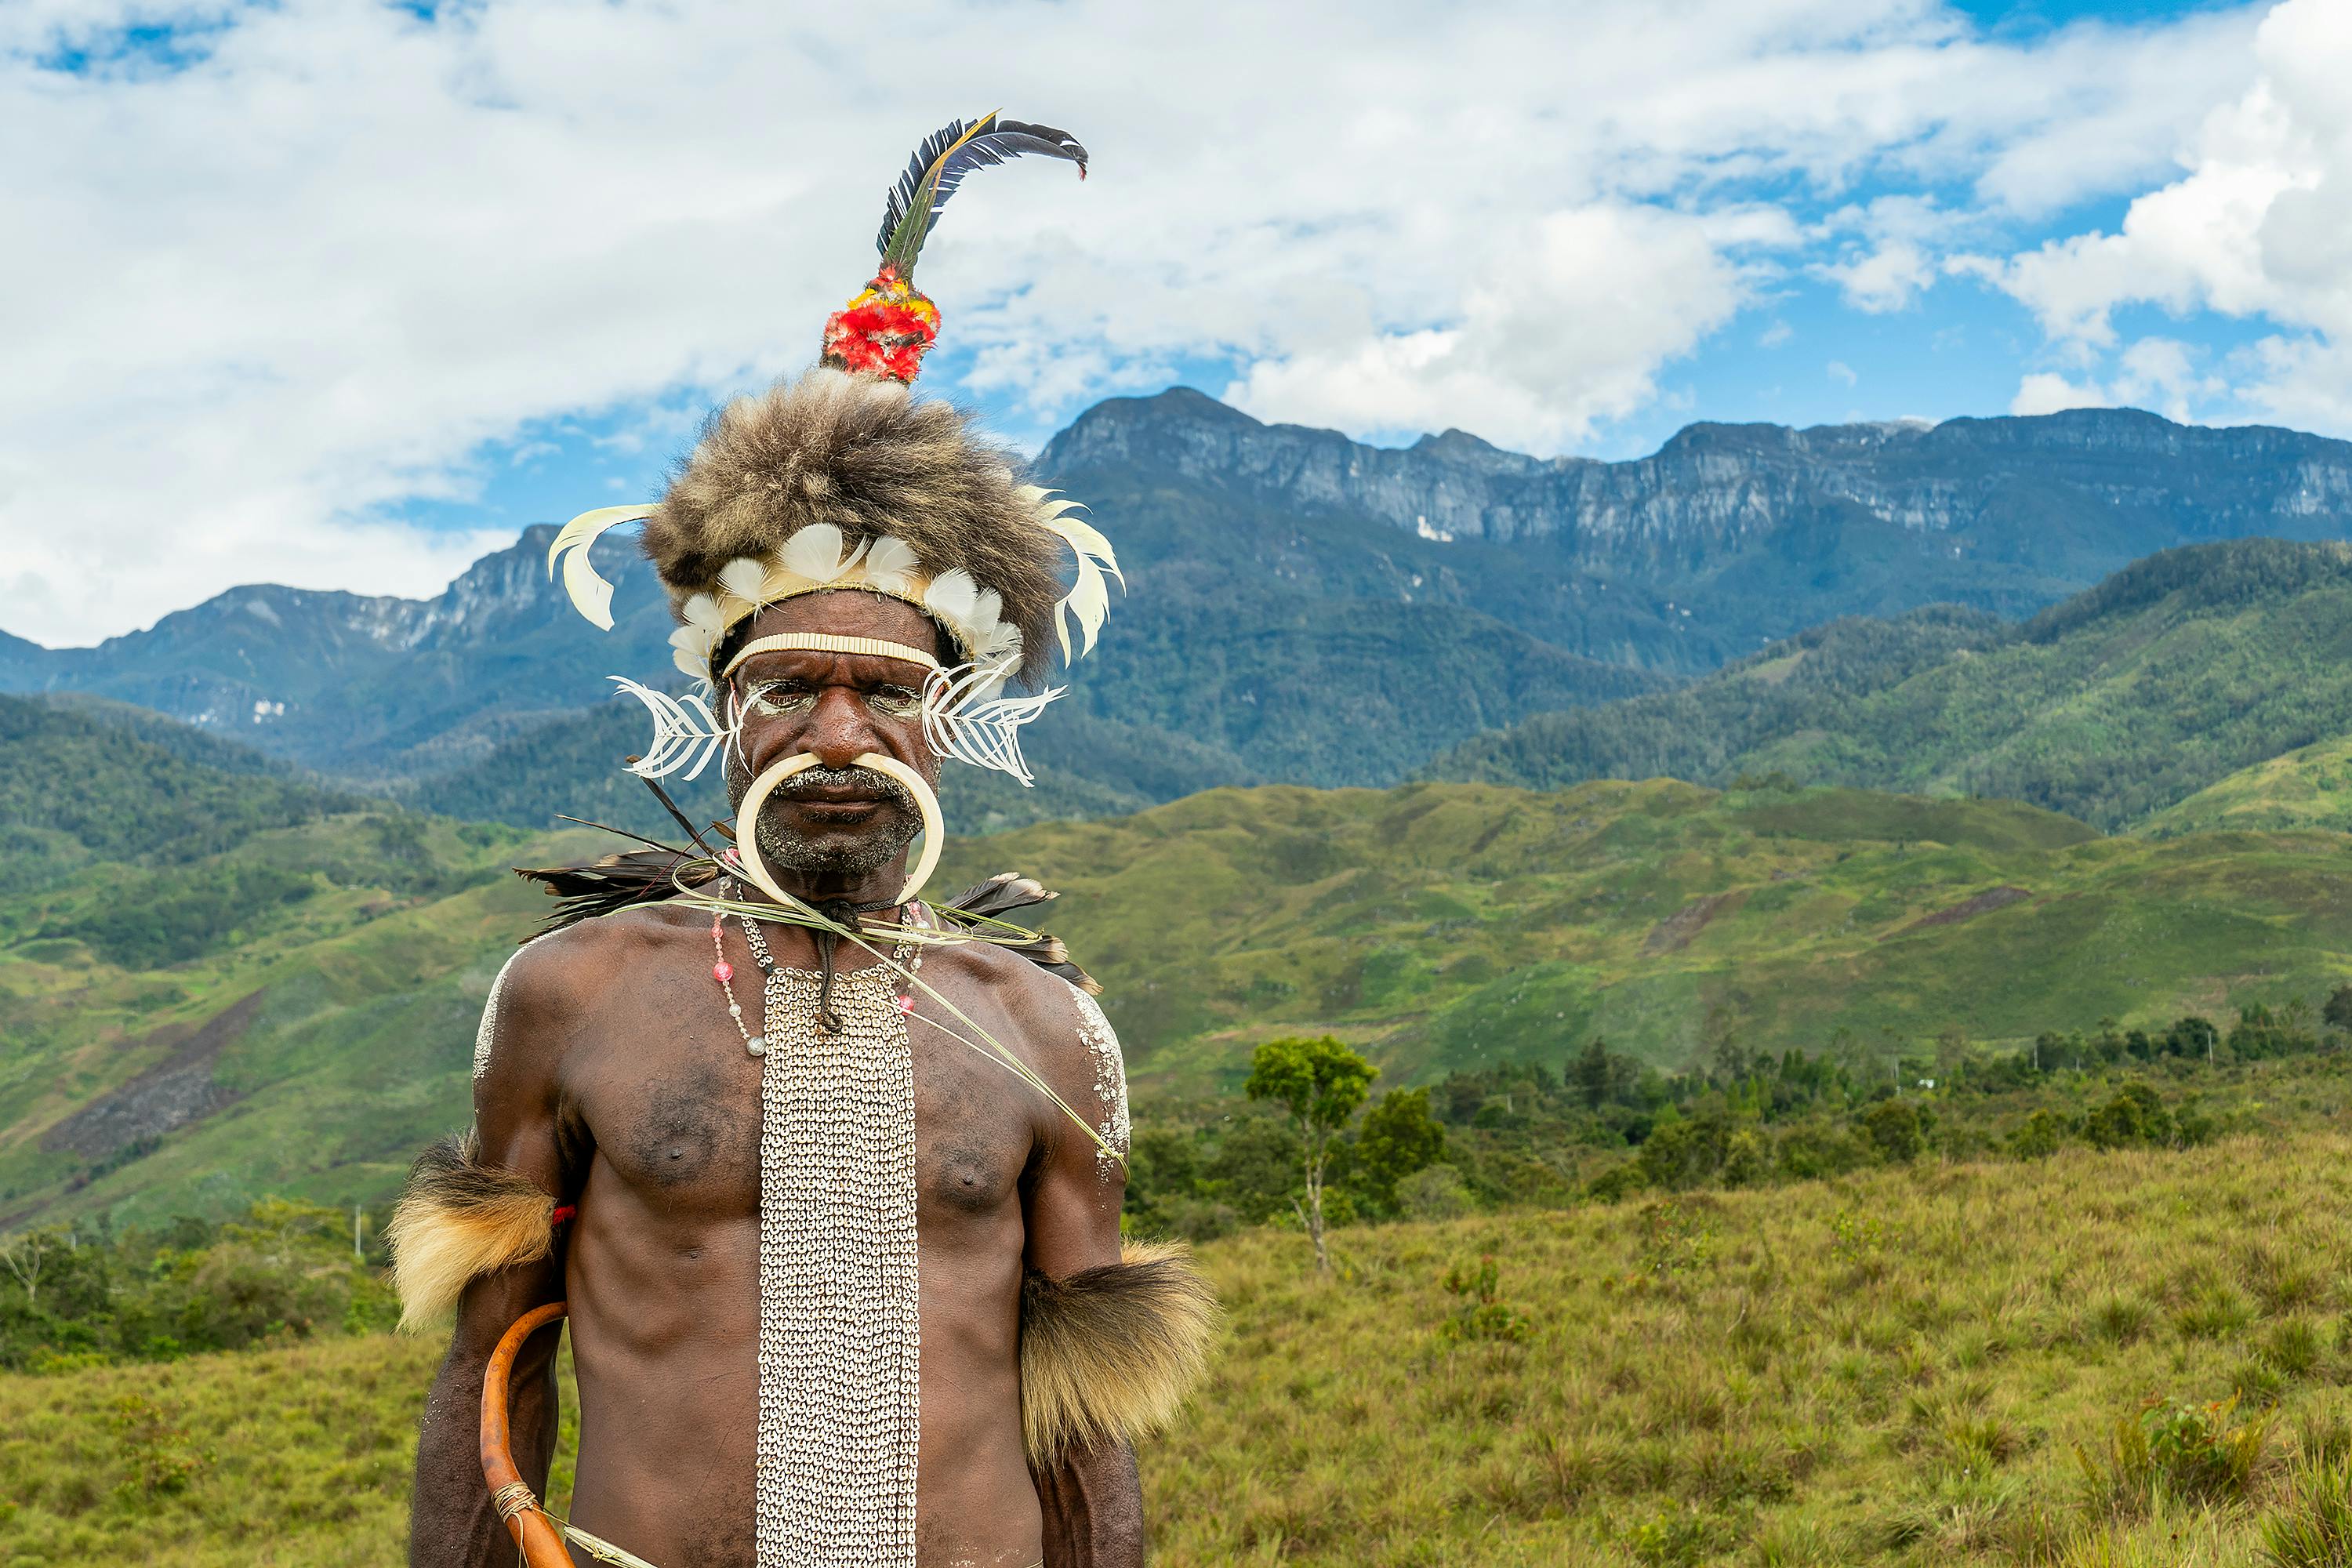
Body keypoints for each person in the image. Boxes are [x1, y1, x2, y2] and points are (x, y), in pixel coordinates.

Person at [390, 112, 1215, 1568]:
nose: (838, 736)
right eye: (790, 689)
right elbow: (489, 1379)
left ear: (949, 720)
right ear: (723, 714)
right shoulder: (572, 998)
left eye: (886, 692)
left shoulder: (1047, 1031)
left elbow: (1085, 1435)